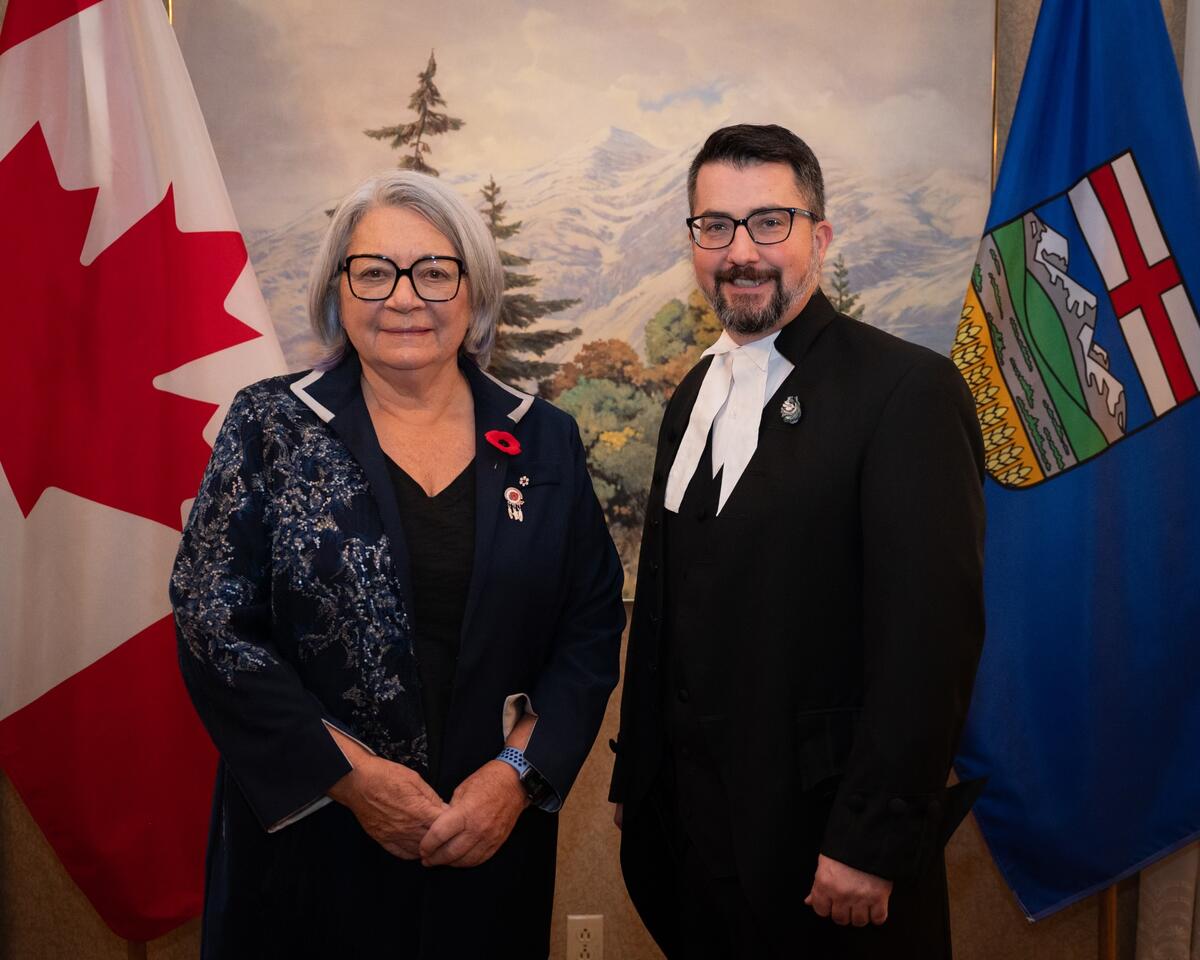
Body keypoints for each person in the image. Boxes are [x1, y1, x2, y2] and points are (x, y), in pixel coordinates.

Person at [171, 169, 625, 958]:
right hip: (309, 844)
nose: (403, 297)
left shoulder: (544, 439)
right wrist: (346, 776)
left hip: (483, 846)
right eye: (374, 271)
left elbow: (587, 631)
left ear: (473, 290)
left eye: (434, 272)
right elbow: (212, 623)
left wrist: (517, 776)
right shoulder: (270, 424)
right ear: (338, 289)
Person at [608, 123, 986, 958]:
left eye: (768, 222)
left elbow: (931, 646)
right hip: (694, 852)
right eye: (716, 227)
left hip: (826, 863)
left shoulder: (907, 394)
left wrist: (869, 842)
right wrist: (640, 783)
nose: (741, 251)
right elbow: (671, 611)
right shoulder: (694, 395)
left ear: (818, 236)